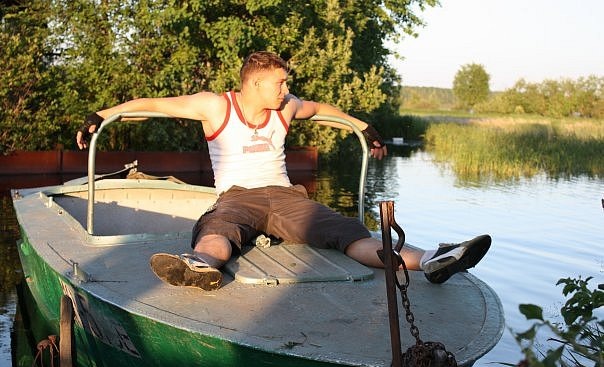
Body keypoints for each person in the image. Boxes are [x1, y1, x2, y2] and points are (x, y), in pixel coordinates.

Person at [76, 51, 491, 291]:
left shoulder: (286, 107)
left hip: (287, 197)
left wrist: (363, 126)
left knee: (350, 235)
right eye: (279, 83)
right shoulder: (216, 106)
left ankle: (432, 258)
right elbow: (152, 104)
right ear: (255, 84)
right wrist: (101, 115)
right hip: (238, 196)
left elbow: (321, 109)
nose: (286, 89)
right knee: (219, 230)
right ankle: (200, 265)